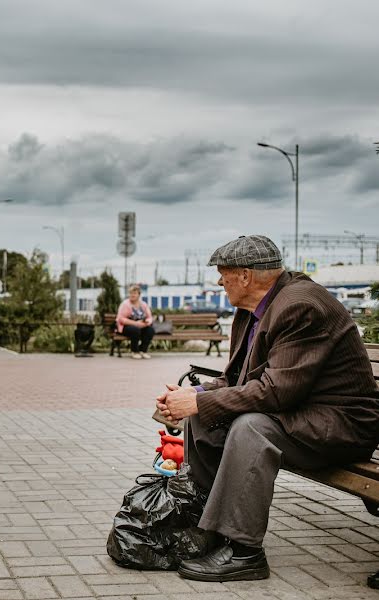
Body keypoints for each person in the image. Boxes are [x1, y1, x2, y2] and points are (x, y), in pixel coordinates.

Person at [155, 235, 379, 583]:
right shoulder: (253, 311)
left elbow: (277, 392)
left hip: (343, 424)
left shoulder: (300, 306)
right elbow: (238, 380)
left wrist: (199, 400)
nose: (219, 281)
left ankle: (245, 552)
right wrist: (191, 396)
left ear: (245, 276)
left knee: (251, 427)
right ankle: (208, 528)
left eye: (223, 273)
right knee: (205, 417)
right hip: (302, 414)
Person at [116, 284, 154, 359]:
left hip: (140, 324)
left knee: (150, 330)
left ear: (139, 295)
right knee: (135, 330)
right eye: (130, 293)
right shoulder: (125, 304)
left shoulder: (143, 304)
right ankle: (134, 351)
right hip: (125, 326)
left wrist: (146, 323)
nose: (132, 295)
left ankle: (143, 351)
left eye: (134, 293)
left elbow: (150, 317)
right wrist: (136, 323)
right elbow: (121, 319)